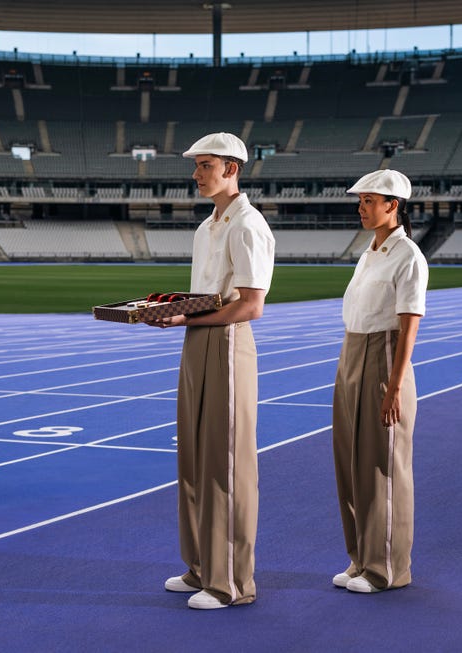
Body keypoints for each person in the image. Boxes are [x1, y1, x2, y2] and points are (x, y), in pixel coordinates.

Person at [144, 132, 275, 609]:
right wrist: (172, 309)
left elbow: (251, 306)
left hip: (227, 342)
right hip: (197, 341)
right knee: (195, 459)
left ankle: (232, 583)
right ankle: (201, 566)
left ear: (232, 169)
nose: (196, 174)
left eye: (205, 165)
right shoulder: (206, 227)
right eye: (197, 166)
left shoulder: (247, 225)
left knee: (226, 464)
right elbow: (207, 295)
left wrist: (187, 316)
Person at [331, 169, 428, 593]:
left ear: (393, 205)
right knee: (351, 464)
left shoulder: (408, 256)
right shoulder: (370, 252)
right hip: (352, 352)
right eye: (361, 201)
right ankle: (360, 558)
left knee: (382, 467)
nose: (362, 207)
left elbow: (408, 327)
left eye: (369, 200)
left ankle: (387, 567)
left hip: (383, 355)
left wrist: (393, 388)